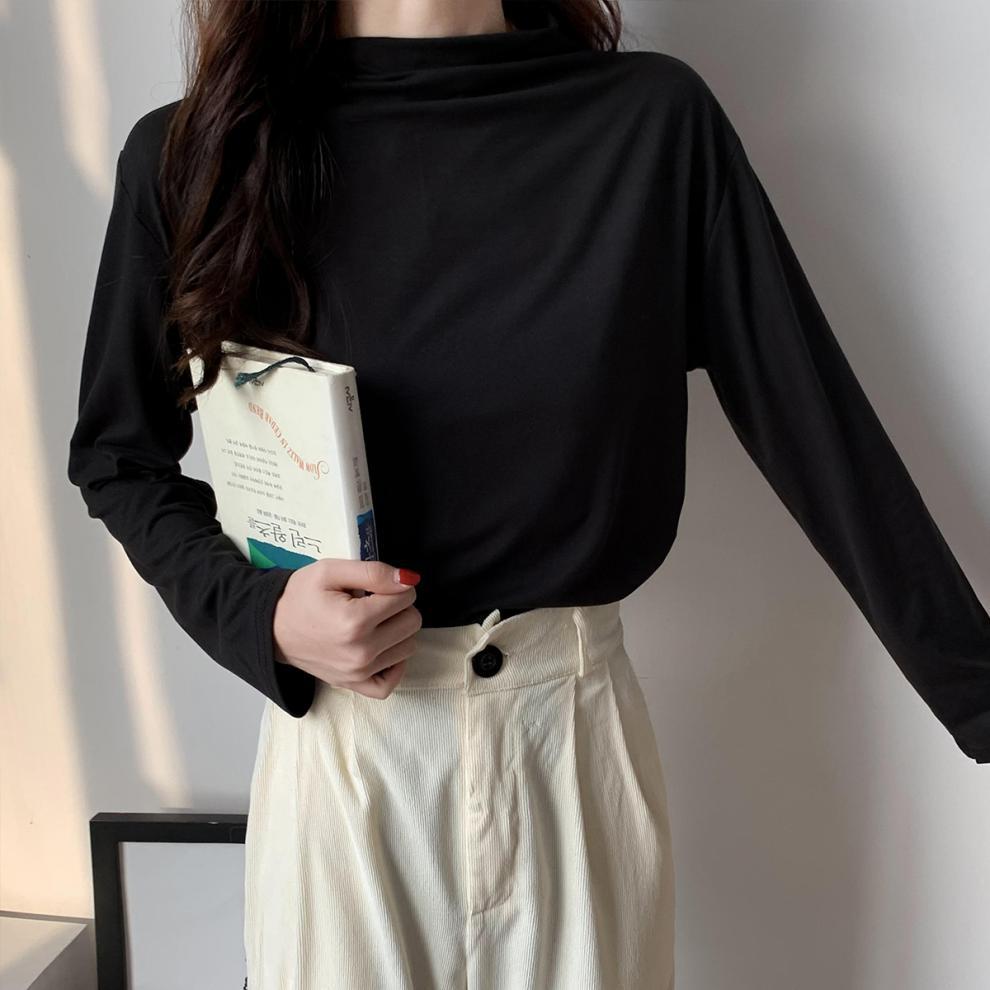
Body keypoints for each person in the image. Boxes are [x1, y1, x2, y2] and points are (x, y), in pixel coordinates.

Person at [67, 1, 990, 987]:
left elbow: (817, 430)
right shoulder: (204, 154)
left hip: (573, 749)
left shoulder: (648, 127)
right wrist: (261, 618)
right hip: (346, 762)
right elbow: (119, 457)